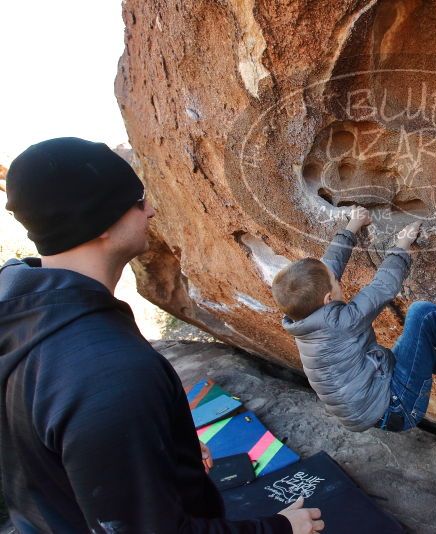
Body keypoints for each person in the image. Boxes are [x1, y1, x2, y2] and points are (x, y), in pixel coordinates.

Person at [0, 137, 323, 533]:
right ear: (98, 221)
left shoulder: (25, 315)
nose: (150, 210)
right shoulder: (108, 374)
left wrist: (170, 452)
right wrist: (281, 528)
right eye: (138, 201)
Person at [272, 207, 436, 433]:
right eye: (336, 283)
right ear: (327, 299)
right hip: (398, 406)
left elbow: (326, 270)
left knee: (408, 346)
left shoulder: (303, 320)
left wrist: (352, 226)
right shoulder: (340, 324)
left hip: (375, 406)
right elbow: (383, 287)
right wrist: (401, 245)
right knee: (423, 315)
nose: (338, 281)